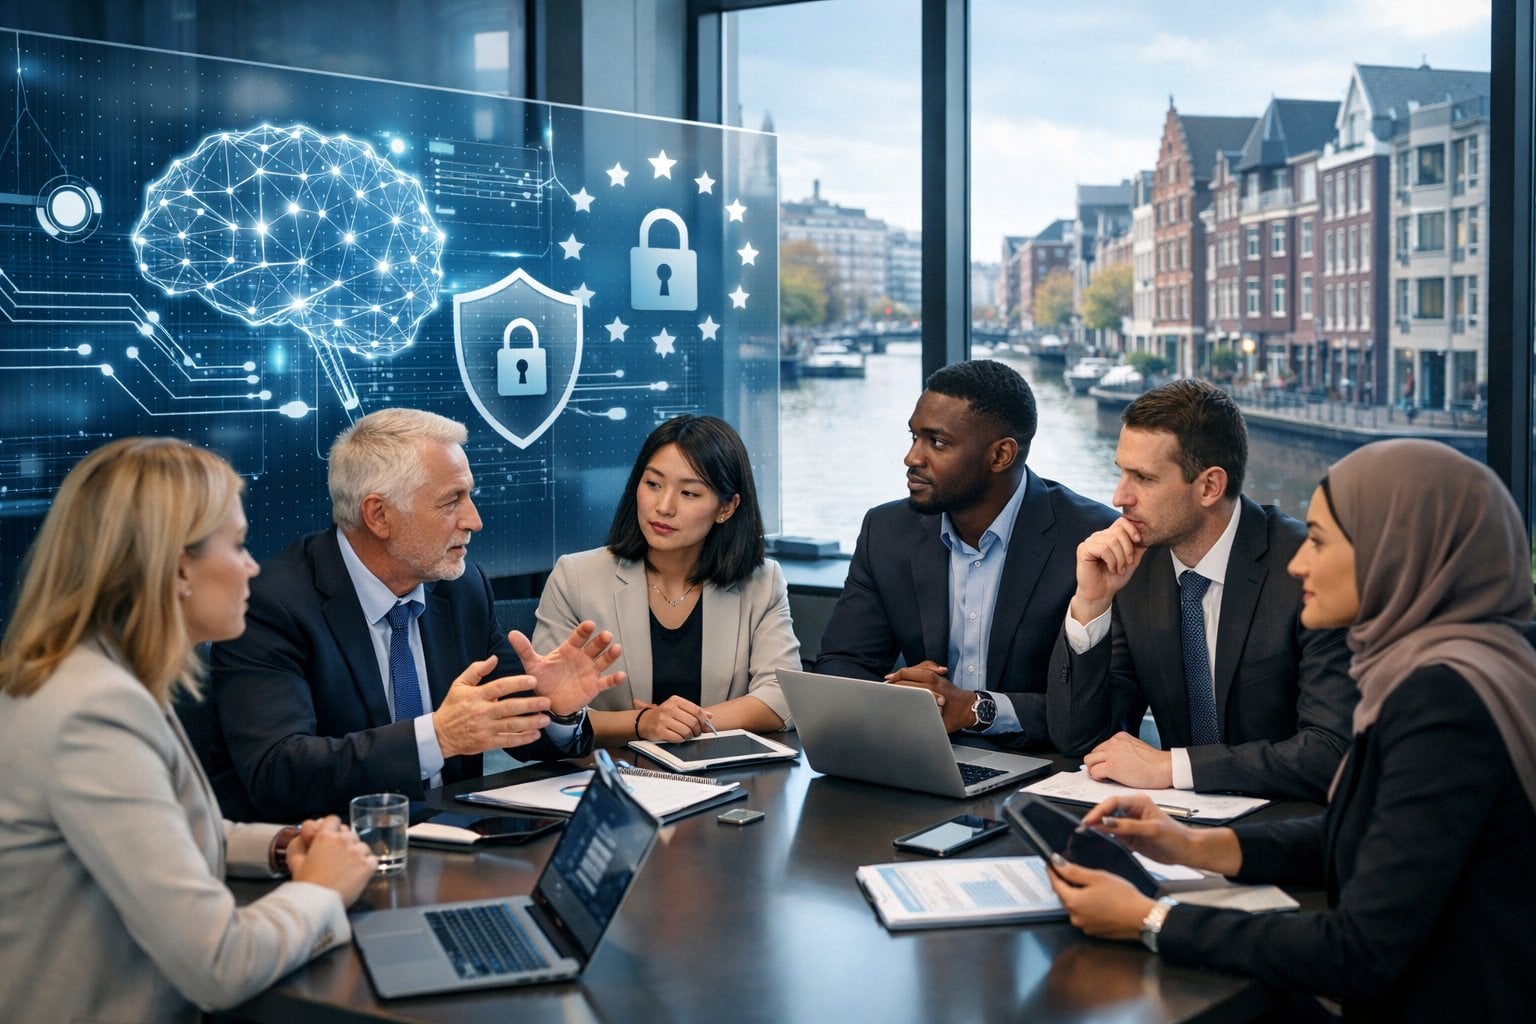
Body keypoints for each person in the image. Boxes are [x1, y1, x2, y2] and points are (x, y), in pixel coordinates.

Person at [1047, 439, 1536, 1022]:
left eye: (1323, 543)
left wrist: (1149, 919)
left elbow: (1358, 951)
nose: (1301, 561)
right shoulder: (1467, 663)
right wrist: (1192, 844)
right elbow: (1369, 832)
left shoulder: (1443, 701)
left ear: (1396, 552)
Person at [0, 438, 378, 1024]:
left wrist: (280, 848)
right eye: (237, 544)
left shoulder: (100, 677)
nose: (253, 565)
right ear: (178, 567)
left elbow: (163, 832)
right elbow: (221, 964)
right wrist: (323, 891)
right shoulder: (94, 712)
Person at [208, 408, 624, 820]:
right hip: (334, 852)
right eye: (451, 502)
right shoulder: (272, 606)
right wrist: (437, 738)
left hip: (455, 843)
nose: (474, 521)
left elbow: (515, 730)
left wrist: (556, 711)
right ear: (379, 515)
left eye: (469, 496)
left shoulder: (461, 587)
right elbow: (278, 773)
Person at [1046, 379, 1353, 800]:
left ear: (1209, 486)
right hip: (1173, 823)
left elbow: (1330, 753)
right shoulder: (1135, 568)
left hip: (1288, 825)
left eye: (1143, 478)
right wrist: (1091, 605)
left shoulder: (1305, 570)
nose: (1119, 497)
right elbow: (1081, 741)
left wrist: (1174, 766)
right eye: (1121, 471)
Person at [815, 359, 1115, 747]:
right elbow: (841, 664)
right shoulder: (887, 531)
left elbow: (1103, 711)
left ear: (1000, 455)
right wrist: (897, 696)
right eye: (914, 437)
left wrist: (976, 708)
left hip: (1044, 772)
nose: (912, 458)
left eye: (937, 443)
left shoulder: (1090, 541)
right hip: (924, 759)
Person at [534, 415, 799, 743]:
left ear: (726, 508)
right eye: (653, 484)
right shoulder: (575, 578)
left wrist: (685, 723)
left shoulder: (762, 582)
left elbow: (782, 696)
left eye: (689, 493)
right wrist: (643, 722)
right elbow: (546, 715)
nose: (663, 506)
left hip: (723, 780)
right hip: (611, 777)